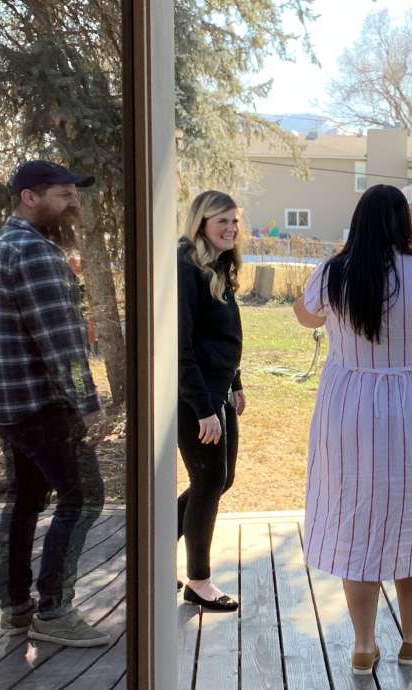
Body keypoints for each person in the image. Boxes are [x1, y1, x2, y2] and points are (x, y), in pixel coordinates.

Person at [296, 184, 412, 675]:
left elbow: (305, 315)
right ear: (403, 223)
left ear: (358, 222)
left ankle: (364, 645)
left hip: (348, 407)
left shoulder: (332, 272)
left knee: (356, 514)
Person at [0, 160, 110, 647]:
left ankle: (16, 611)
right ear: (30, 196)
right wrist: (88, 405)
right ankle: (54, 610)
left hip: (5, 406)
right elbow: (65, 344)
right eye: (64, 194)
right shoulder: (37, 254)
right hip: (41, 406)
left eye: (75, 194)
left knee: (26, 500)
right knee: (85, 496)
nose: (73, 203)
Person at [177, 190, 247, 612]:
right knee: (208, 482)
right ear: (201, 222)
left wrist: (235, 381)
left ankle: (152, 548)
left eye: (235, 221)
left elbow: (221, 333)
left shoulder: (218, 264)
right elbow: (181, 344)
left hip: (218, 388)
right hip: (195, 395)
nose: (231, 228)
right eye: (222, 221)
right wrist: (203, 407)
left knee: (221, 479)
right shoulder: (187, 267)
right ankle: (199, 582)